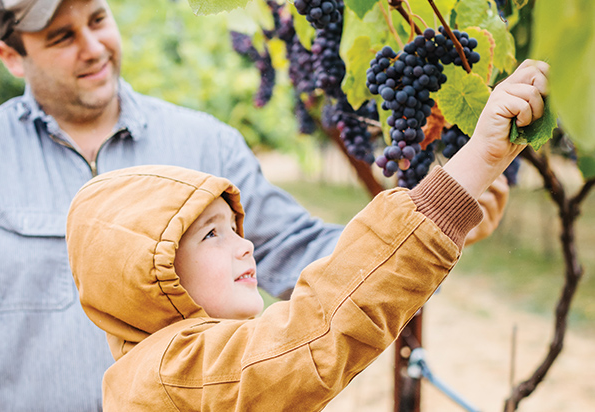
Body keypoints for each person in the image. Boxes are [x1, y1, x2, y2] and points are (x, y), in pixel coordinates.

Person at [0, 0, 505, 411]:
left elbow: (298, 252)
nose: (92, 46)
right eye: (60, 36)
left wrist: (437, 215)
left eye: (98, 20)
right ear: (10, 57)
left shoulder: (205, 144)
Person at [66, 59, 548, 411]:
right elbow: (322, 326)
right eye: (211, 235)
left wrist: (455, 211)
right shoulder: (173, 374)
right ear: (147, 273)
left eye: (236, 227)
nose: (246, 244)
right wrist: (476, 160)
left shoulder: (159, 368)